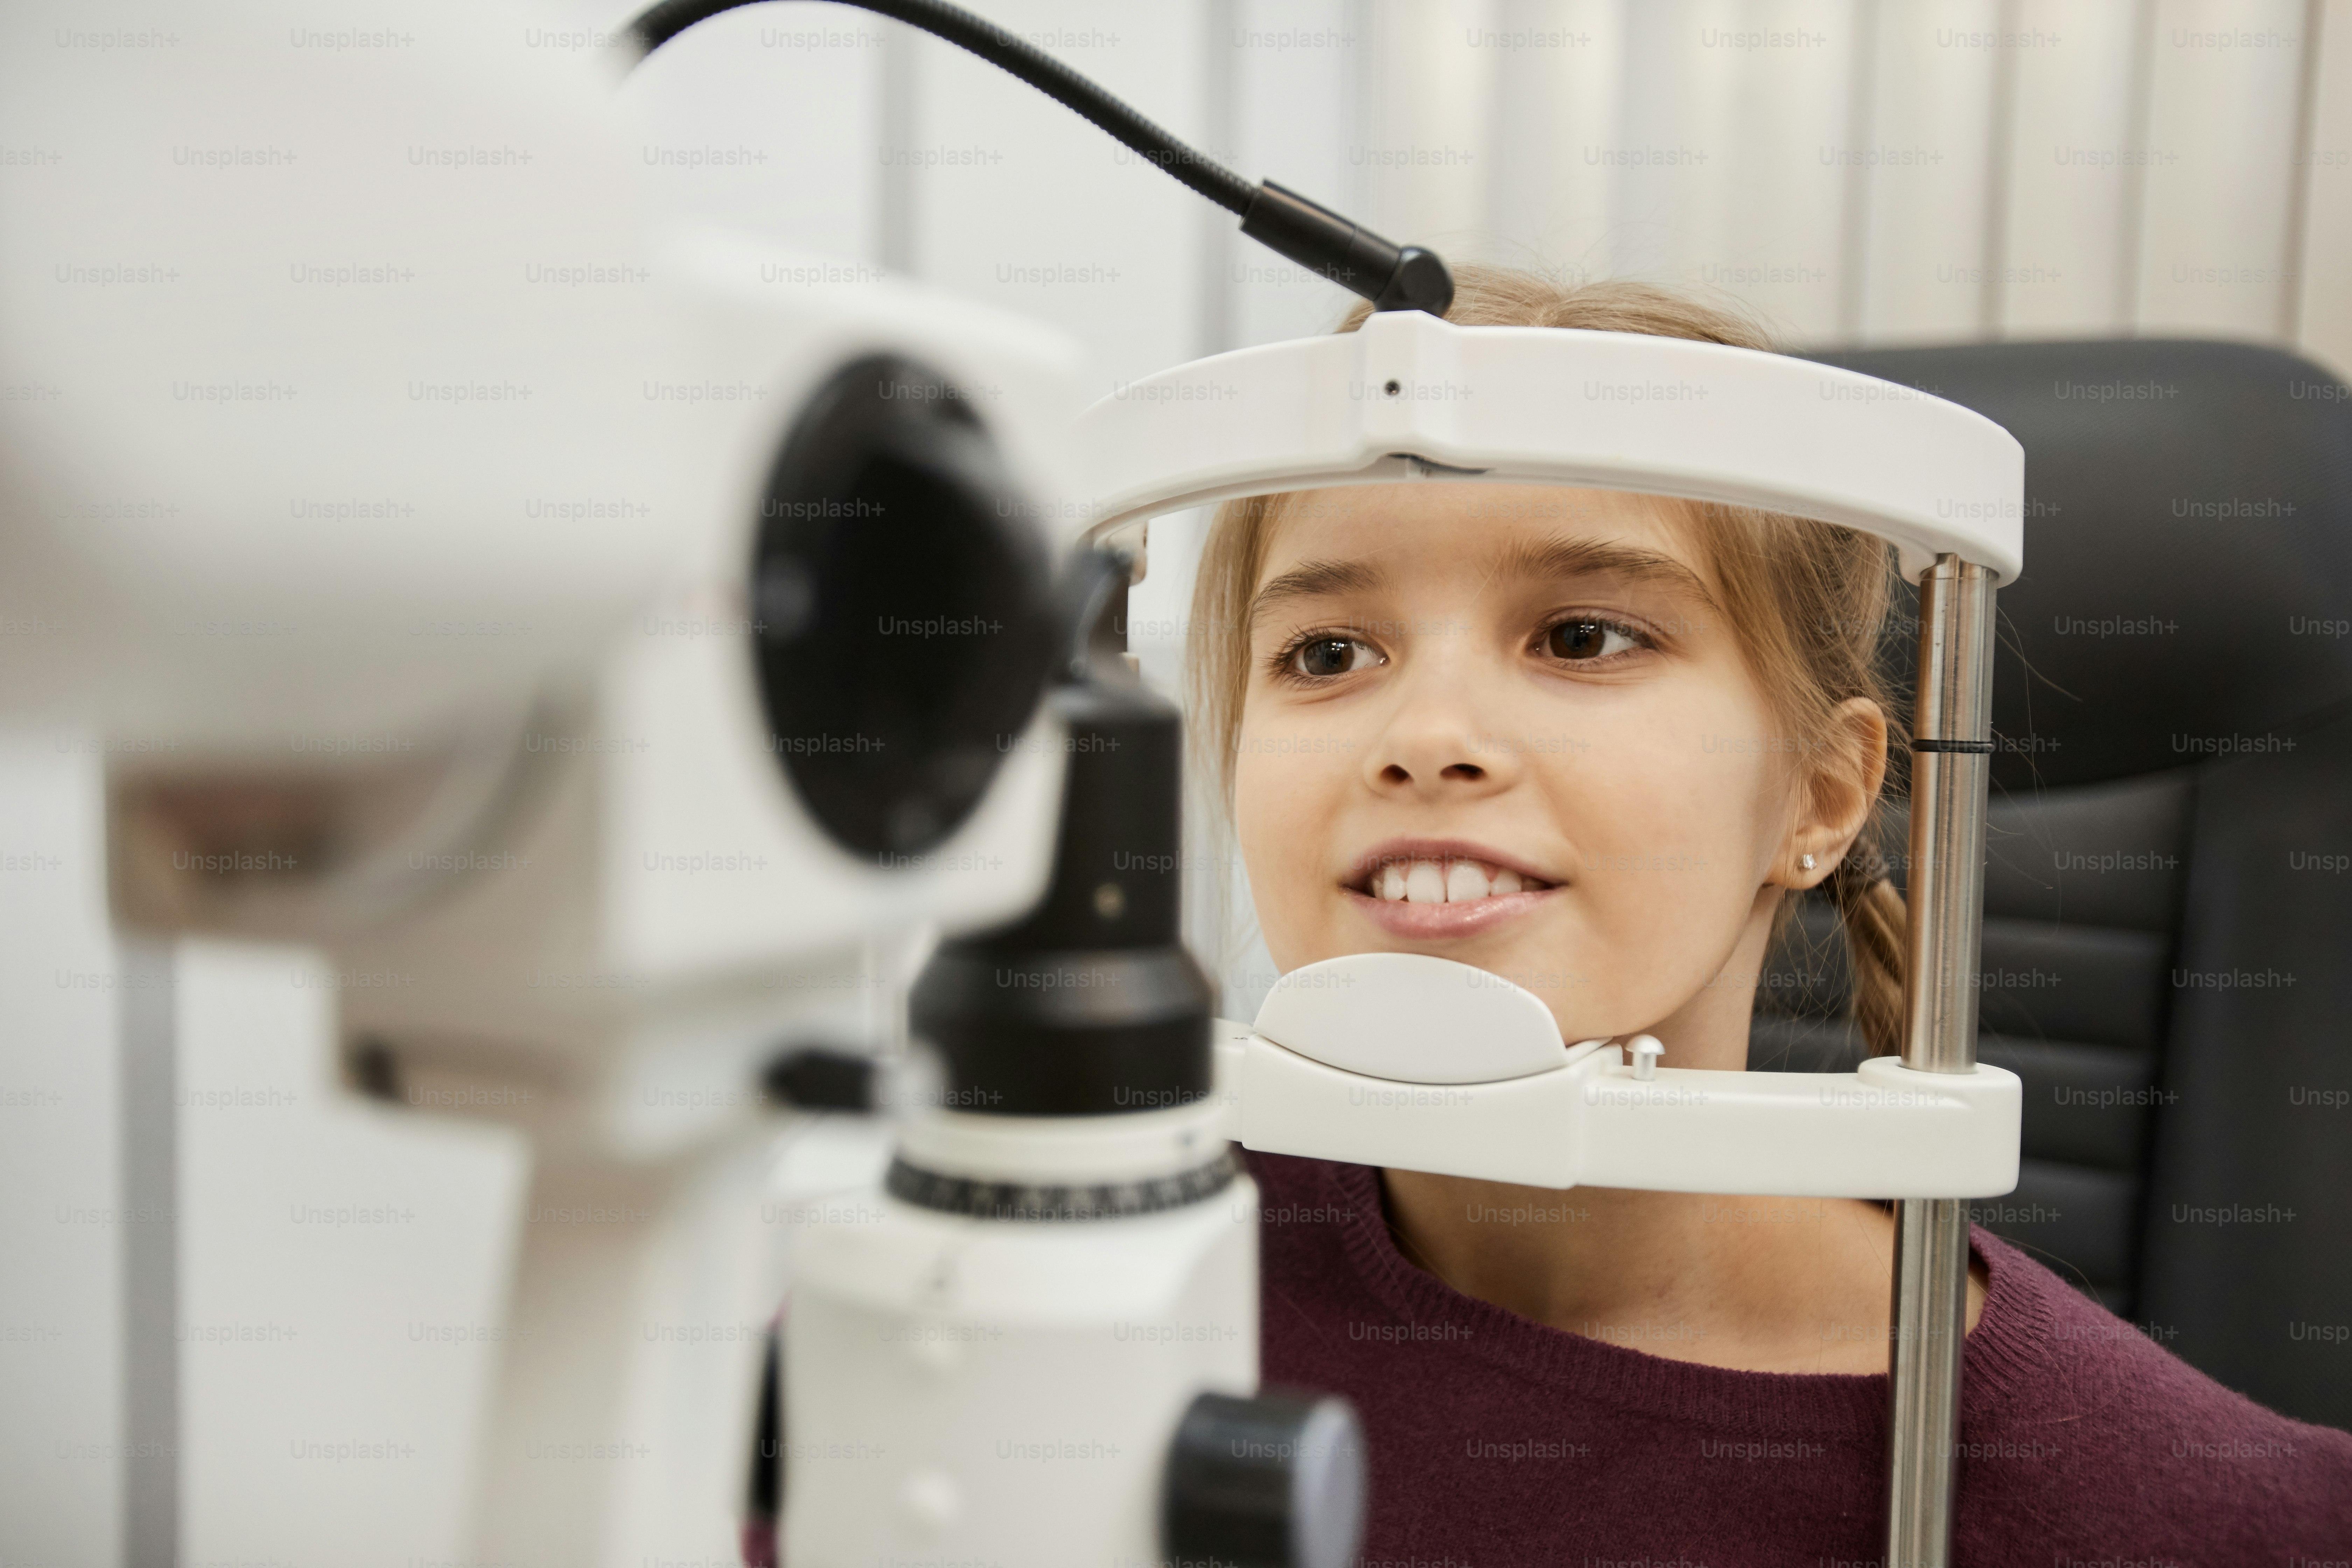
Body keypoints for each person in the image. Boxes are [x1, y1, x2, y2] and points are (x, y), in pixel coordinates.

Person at [1184, 266, 2352, 1562]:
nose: (1427, 740)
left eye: (1582, 637)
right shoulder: (1106, 1276)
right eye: (1327, 653)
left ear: (1822, 795)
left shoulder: (2190, 1513)